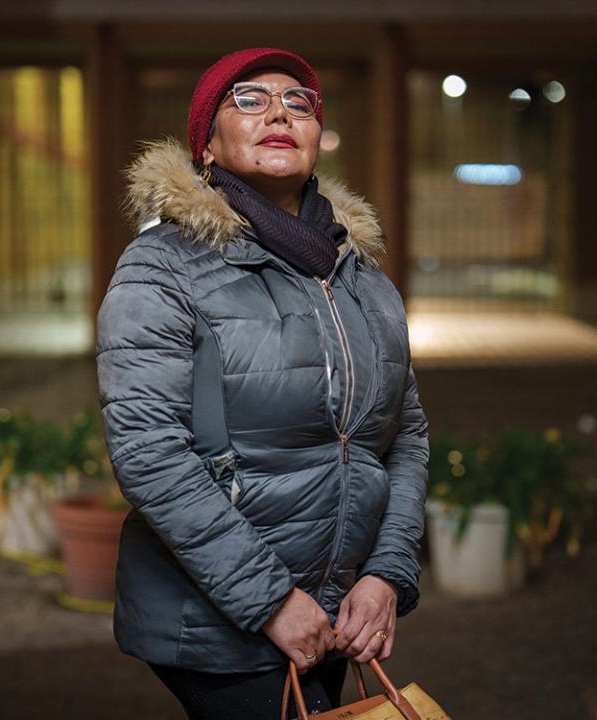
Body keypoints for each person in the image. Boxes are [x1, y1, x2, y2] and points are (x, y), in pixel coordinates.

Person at [96, 48, 429, 719]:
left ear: (316, 136)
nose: (279, 110)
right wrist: (269, 599)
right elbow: (148, 452)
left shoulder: (362, 282)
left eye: (298, 101)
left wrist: (387, 571)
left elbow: (406, 439)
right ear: (208, 145)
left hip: (335, 612)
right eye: (246, 99)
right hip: (222, 620)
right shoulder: (162, 269)